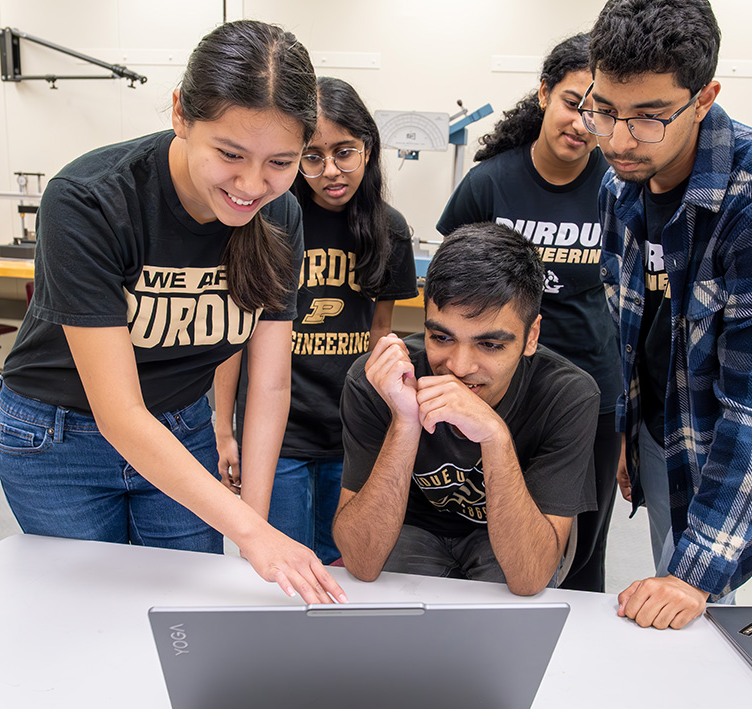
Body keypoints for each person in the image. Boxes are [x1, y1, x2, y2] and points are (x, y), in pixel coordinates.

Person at [0, 20, 346, 605]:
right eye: (230, 154)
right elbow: (119, 413)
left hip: (183, 427)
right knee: (94, 615)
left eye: (281, 162)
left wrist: (253, 524)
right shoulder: (90, 199)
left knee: (191, 609)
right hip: (60, 438)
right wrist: (252, 532)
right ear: (181, 113)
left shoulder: (280, 214)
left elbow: (271, 381)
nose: (251, 185)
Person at [585, 0, 752, 629]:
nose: (617, 139)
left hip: (734, 429)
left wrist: (692, 576)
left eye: (648, 118)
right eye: (605, 110)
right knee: (670, 587)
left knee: (693, 605)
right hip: (660, 421)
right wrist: (628, 426)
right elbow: (630, 327)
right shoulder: (621, 184)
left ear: (704, 97)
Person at [436, 33, 621, 592]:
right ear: (544, 94)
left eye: (600, 112)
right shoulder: (490, 182)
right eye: (572, 102)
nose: (582, 122)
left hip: (589, 385)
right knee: (497, 533)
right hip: (503, 384)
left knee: (583, 547)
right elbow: (449, 277)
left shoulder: (617, 186)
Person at [332, 222, 600, 596]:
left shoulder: (567, 396)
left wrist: (494, 437)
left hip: (511, 534)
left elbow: (530, 575)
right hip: (411, 529)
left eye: (489, 344)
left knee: (504, 622)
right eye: (441, 337)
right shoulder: (378, 380)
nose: (458, 366)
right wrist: (405, 422)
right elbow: (361, 561)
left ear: (531, 337)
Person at [214, 76, 417, 565]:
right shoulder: (267, 221)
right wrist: (225, 427)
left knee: (341, 565)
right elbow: (233, 340)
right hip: (278, 434)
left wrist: (387, 423)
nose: (331, 171)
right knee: (276, 564)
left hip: (351, 431)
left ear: (367, 149)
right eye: (312, 156)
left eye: (344, 152)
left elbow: (380, 335)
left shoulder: (388, 229)